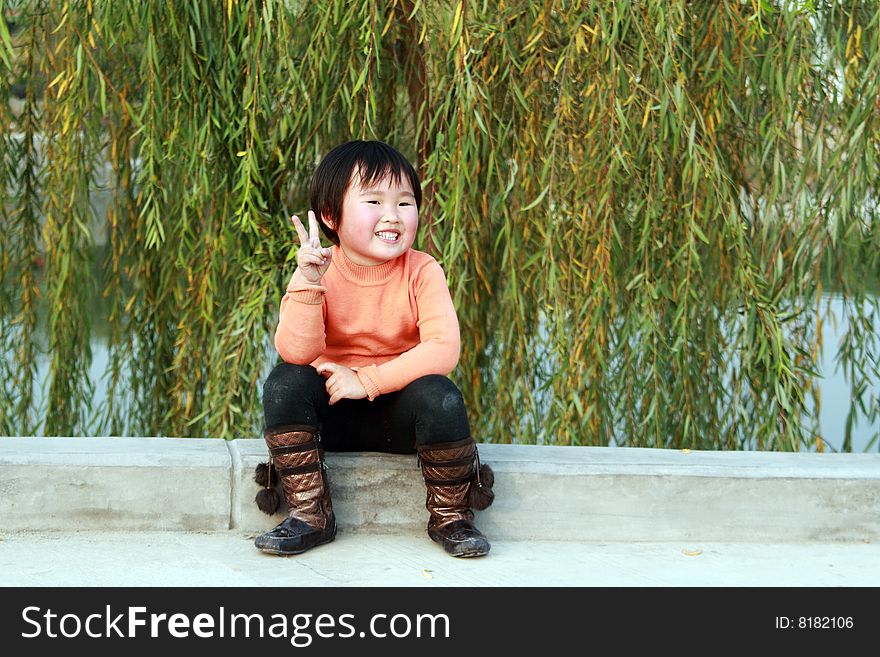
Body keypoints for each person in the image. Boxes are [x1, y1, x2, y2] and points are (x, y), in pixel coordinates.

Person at [253, 140, 495, 558]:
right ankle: (309, 514)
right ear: (331, 215)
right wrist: (308, 282)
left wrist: (366, 380)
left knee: (440, 394)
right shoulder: (319, 268)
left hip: (396, 415)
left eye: (405, 202)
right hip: (330, 414)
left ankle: (452, 516)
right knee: (284, 382)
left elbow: (443, 349)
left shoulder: (422, 270)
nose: (392, 215)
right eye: (374, 201)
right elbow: (295, 350)